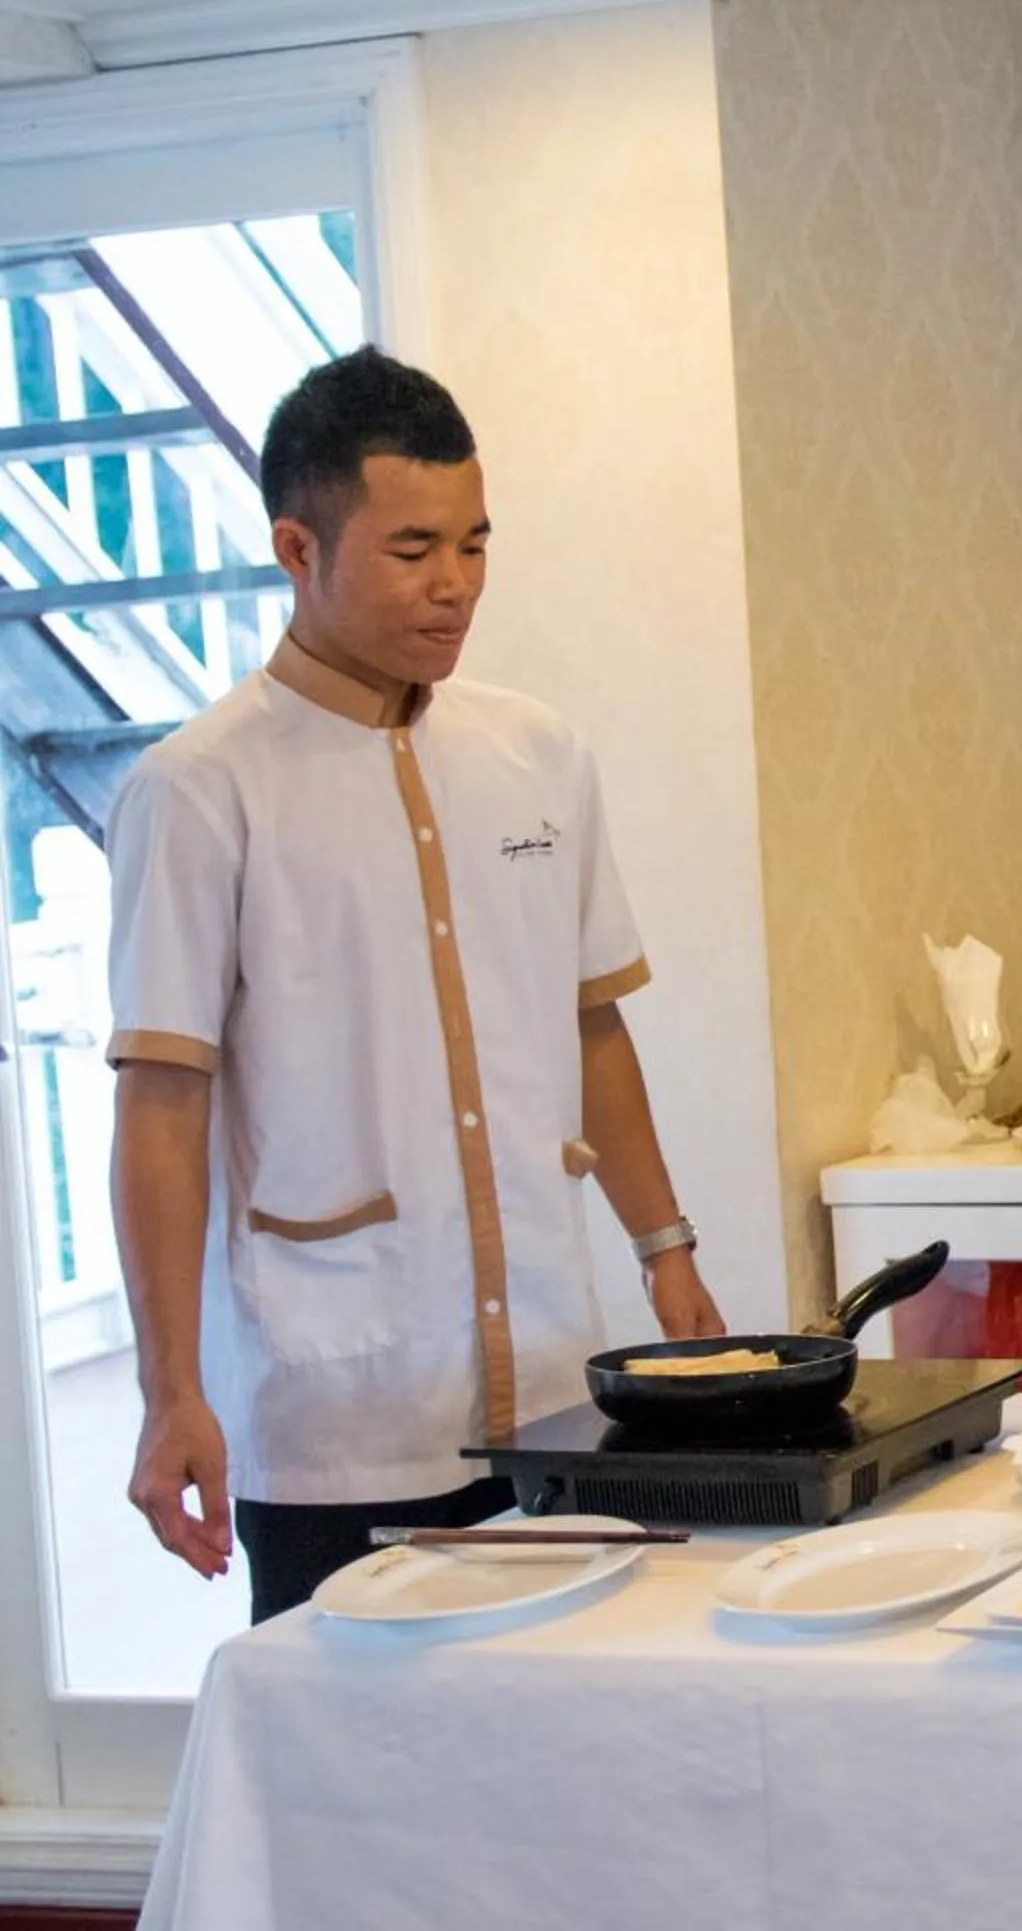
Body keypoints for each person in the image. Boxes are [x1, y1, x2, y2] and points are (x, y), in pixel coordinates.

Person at [107, 348, 725, 1622]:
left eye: (476, 544)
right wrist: (172, 1391)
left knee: (565, 1756)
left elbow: (590, 1024)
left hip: (559, 1390)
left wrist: (669, 1257)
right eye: (411, 551)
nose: (455, 589)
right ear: (298, 547)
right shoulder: (200, 789)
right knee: (357, 1791)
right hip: (340, 1409)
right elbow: (160, 1110)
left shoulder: (536, 752)